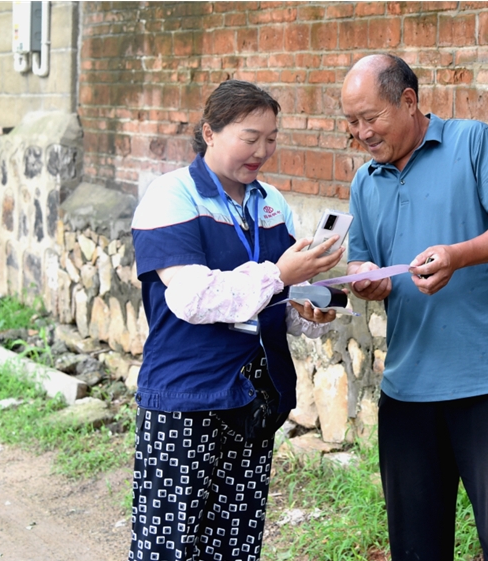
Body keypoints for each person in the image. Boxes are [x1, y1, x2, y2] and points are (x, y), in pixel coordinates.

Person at [129, 79, 343, 561]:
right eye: (250, 137)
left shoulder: (271, 204)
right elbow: (193, 298)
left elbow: (274, 300)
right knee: (170, 544)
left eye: (271, 138)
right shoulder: (171, 196)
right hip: (186, 395)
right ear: (210, 132)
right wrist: (278, 274)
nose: (262, 151)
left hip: (253, 396)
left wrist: (309, 310)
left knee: (236, 544)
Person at [341, 54, 488, 561]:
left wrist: (458, 255)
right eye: (352, 122)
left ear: (408, 101)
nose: (362, 132)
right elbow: (365, 256)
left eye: (371, 118)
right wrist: (367, 281)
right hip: (407, 391)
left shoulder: (474, 142)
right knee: (416, 548)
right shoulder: (366, 181)